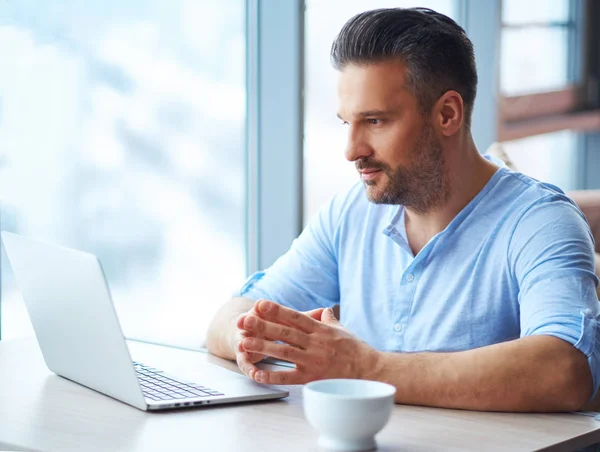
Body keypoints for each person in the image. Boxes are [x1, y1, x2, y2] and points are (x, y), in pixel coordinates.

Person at [206, 7, 600, 412]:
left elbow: (566, 370)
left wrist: (366, 368)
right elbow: (227, 318)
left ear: (447, 114)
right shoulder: (349, 214)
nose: (351, 151)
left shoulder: (541, 220)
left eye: (375, 121)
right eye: (347, 123)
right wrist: (247, 338)